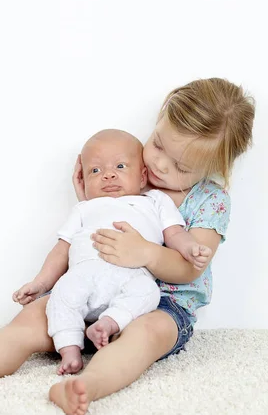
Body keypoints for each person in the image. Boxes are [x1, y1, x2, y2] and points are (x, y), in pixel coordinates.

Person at [0, 78, 255, 415]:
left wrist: (146, 253)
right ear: (159, 120)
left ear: (213, 169)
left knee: (145, 337)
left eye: (179, 165)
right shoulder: (130, 170)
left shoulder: (210, 200)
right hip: (92, 286)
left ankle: (87, 385)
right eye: (158, 144)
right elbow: (86, 228)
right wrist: (92, 202)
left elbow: (192, 268)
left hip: (163, 304)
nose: (158, 163)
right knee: (35, 318)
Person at [14, 129, 211, 375]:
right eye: (95, 171)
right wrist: (41, 283)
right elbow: (62, 249)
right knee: (62, 295)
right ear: (83, 180)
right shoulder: (85, 208)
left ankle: (108, 324)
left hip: (131, 276)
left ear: (142, 178)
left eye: (119, 166)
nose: (108, 175)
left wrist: (190, 247)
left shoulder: (154, 201)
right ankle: (69, 348)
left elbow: (174, 234)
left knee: (148, 292)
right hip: (84, 274)